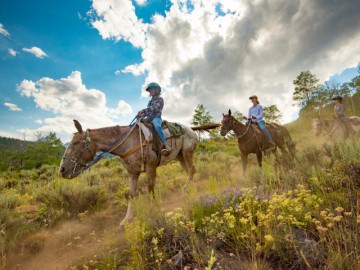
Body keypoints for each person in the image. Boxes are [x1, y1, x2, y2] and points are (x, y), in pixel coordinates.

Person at [138, 82, 171, 157]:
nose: (150, 91)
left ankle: (165, 144)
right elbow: (148, 112)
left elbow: (154, 109)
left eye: (152, 89)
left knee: (157, 126)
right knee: (139, 122)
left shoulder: (160, 99)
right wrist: (141, 115)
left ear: (157, 90)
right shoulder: (150, 101)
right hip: (149, 118)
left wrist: (143, 111)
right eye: (149, 90)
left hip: (156, 117)